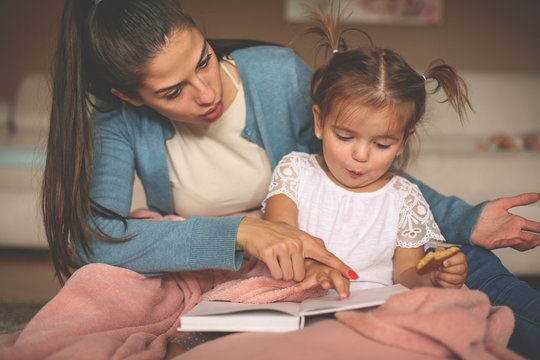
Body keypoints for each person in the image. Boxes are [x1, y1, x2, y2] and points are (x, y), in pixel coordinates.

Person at [42, 0, 539, 357]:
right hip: (238, 258)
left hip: (322, 242)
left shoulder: (277, 75)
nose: (206, 91)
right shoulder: (117, 121)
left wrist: (465, 219)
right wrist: (241, 231)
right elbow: (96, 238)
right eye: (173, 91)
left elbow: (356, 172)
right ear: (130, 97)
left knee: (467, 263)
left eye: (204, 59)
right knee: (106, 294)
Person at [262, 9, 469, 299]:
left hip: (371, 306)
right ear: (319, 122)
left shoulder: (404, 198)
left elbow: (405, 274)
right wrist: (310, 266)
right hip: (295, 296)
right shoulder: (295, 172)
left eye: (382, 144)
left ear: (403, 141)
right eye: (345, 137)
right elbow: (279, 233)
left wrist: (432, 276)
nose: (361, 155)